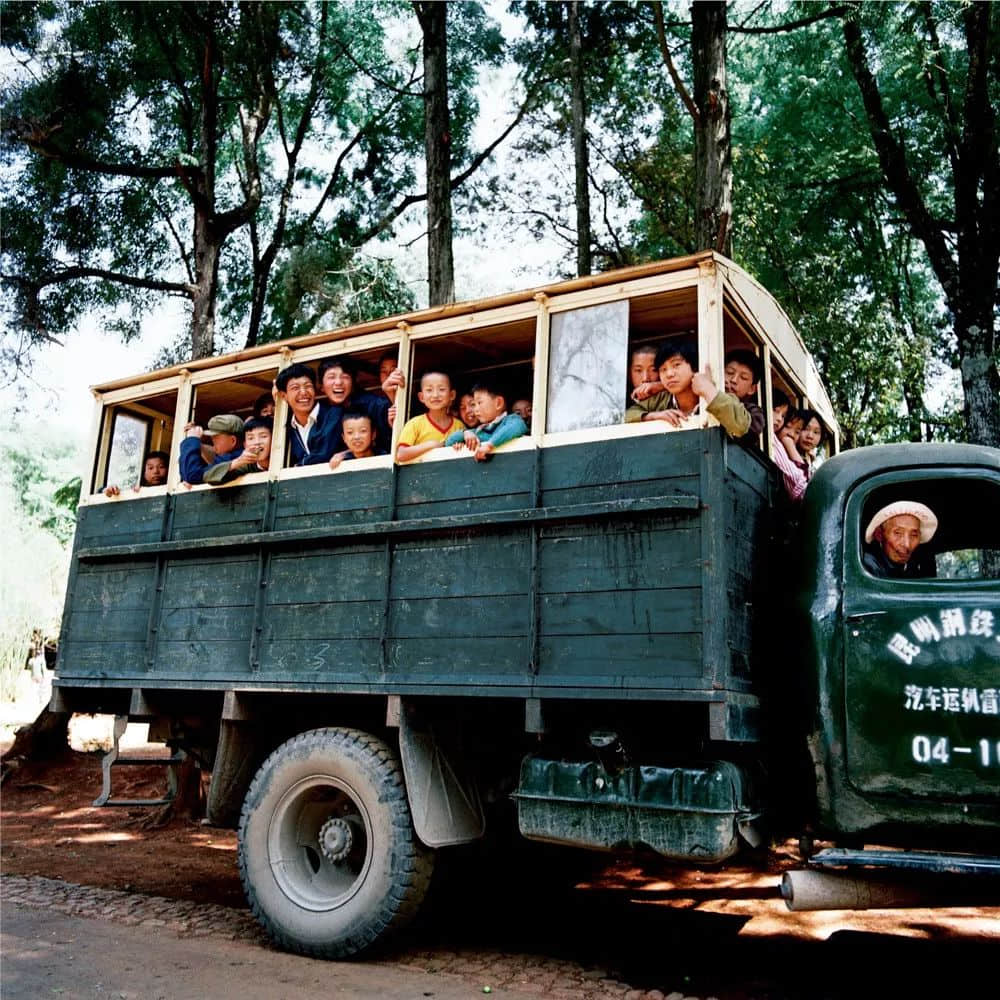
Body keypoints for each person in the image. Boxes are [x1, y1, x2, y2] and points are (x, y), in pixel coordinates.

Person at [445, 378, 527, 461]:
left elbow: (518, 426)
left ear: (498, 403)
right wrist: (465, 433)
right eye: (475, 404)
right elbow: (449, 442)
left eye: (479, 403)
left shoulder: (512, 420)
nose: (475, 409)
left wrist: (490, 445)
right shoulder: (479, 431)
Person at [396, 371, 466, 463]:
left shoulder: (459, 425)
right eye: (429, 390)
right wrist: (430, 445)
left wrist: (460, 446)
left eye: (441, 389)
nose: (435, 395)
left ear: (452, 395)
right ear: (421, 397)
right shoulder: (415, 423)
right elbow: (401, 454)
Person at [276, 363, 338, 466]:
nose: (303, 392)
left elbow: (323, 455)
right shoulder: (287, 428)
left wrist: (298, 466)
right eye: (295, 388)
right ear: (284, 396)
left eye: (308, 386)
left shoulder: (333, 414)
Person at [862, 501, 938, 578]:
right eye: (898, 533)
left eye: (914, 535)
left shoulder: (910, 569)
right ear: (879, 535)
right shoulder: (868, 568)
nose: (907, 544)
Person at [203, 417, 273, 484]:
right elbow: (207, 477)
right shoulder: (248, 465)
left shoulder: (283, 461)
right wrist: (238, 461)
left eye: (263, 436)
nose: (257, 442)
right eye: (251, 438)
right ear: (245, 445)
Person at [179, 414, 245, 485]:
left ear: (233, 441)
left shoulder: (235, 457)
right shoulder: (232, 455)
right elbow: (212, 456)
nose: (212, 440)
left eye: (215, 437)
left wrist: (192, 440)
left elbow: (192, 475)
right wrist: (197, 442)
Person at [769, 390, 808, 502]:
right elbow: (799, 484)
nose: (779, 418)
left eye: (797, 432)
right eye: (788, 426)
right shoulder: (772, 439)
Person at [102, 450, 169, 497]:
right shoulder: (135, 487)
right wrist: (110, 489)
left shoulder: (170, 488)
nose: (156, 472)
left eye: (161, 467)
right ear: (143, 472)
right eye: (150, 468)